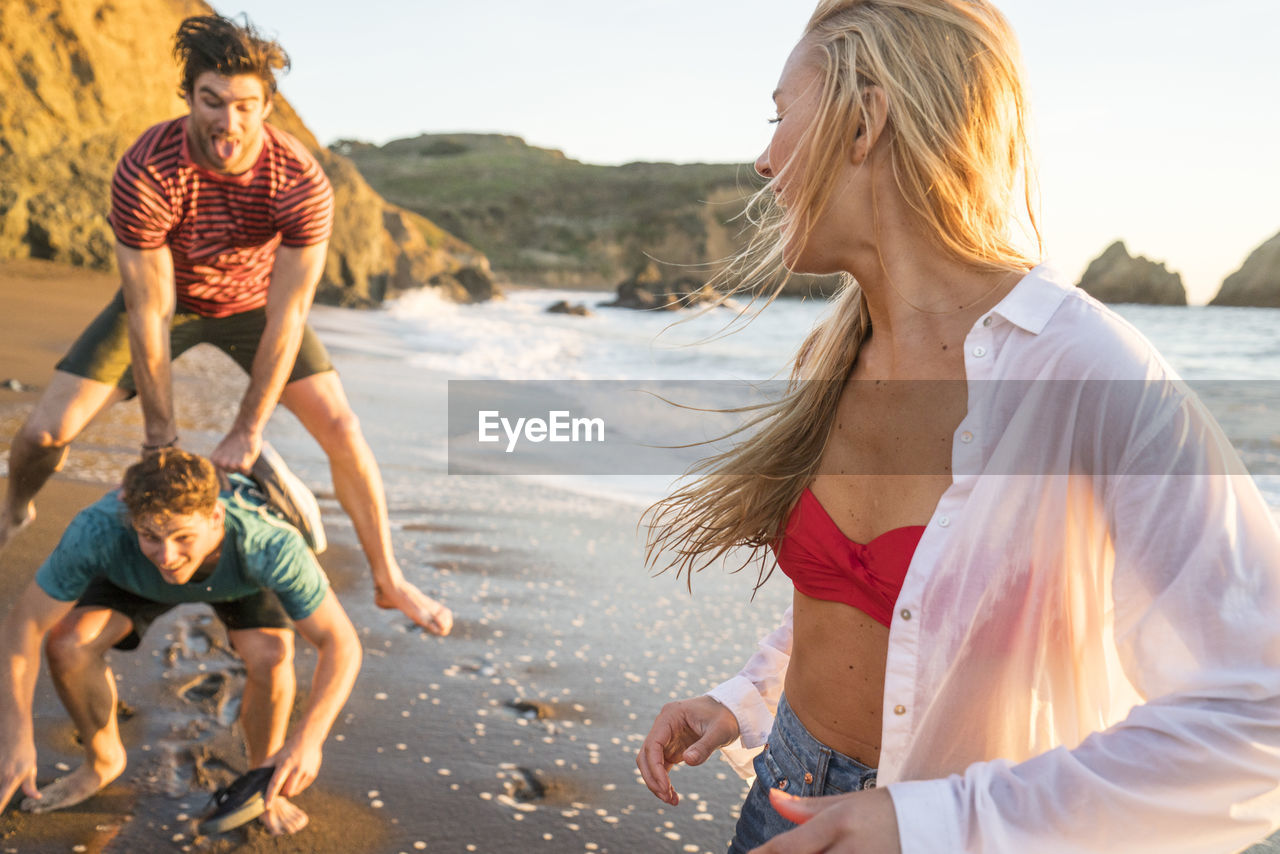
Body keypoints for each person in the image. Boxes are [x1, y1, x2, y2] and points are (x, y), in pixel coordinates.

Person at [636, 1, 1280, 852]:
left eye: (778, 117)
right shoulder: (831, 360)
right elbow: (872, 603)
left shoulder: (1093, 375)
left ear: (864, 123)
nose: (763, 160)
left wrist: (931, 822)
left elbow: (1257, 711)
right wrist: (744, 699)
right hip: (782, 797)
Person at [0, 13, 452, 636]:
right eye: (212, 101)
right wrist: (160, 432)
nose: (228, 123)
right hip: (170, 304)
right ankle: (15, 510)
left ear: (268, 106)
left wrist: (248, 430)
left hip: (255, 306)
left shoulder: (300, 181)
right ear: (188, 97)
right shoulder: (147, 170)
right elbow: (149, 311)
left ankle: (387, 578)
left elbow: (289, 314)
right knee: (44, 435)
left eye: (245, 106)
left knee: (343, 426)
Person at [0, 450, 362, 835]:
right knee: (67, 642)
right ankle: (102, 762)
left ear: (215, 517)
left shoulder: (269, 544)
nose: (168, 555)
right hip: (134, 578)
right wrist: (15, 738)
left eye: (182, 536)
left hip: (240, 582)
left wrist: (309, 739)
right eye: (150, 535)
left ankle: (262, 783)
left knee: (272, 655)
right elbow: (23, 625)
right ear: (131, 521)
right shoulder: (99, 530)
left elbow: (341, 644)